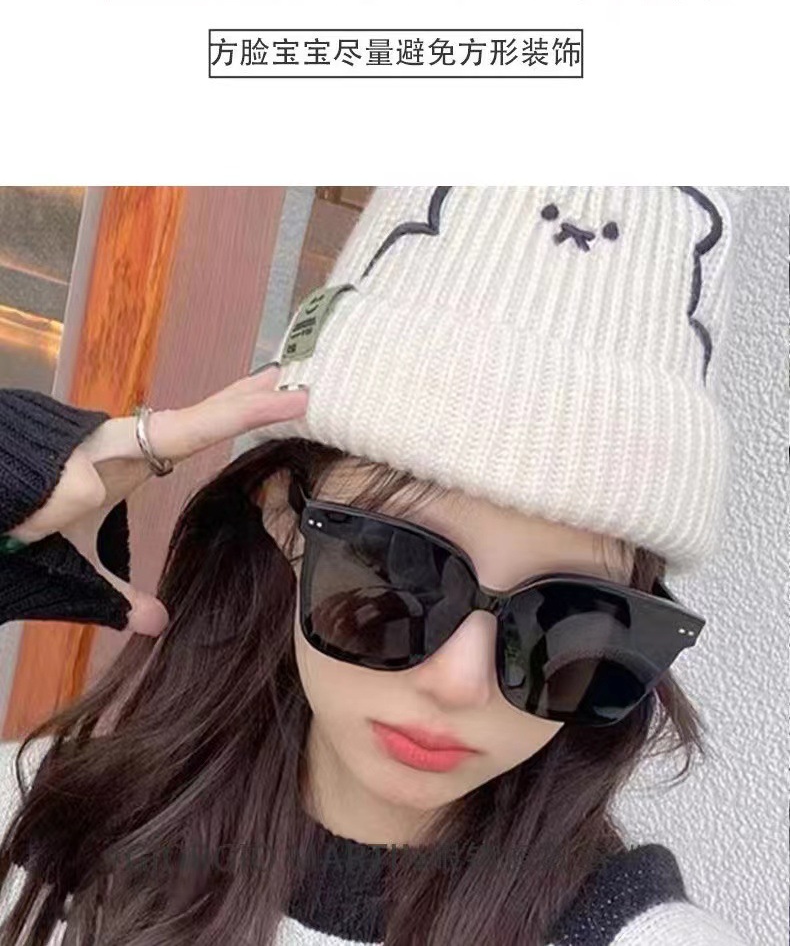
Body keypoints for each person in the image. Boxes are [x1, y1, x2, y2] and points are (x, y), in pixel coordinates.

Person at [0, 187, 750, 946]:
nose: (459, 681)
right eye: (399, 572)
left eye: (567, 620)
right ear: (285, 520)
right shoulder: (54, 824)